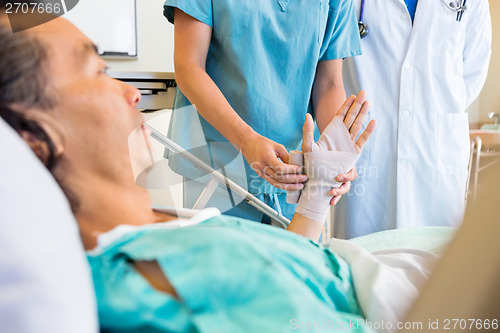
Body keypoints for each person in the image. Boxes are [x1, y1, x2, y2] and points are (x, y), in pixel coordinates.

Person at [0, 11, 453, 333]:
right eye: (99, 70)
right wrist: (249, 141)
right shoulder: (145, 279)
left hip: (355, 250)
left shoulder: (169, 243)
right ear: (33, 140)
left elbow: (274, 270)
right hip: (225, 155)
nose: (131, 93)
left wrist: (317, 191)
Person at [162, 0, 363, 222]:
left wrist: (336, 153)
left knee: (294, 256)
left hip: (296, 171)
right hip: (218, 165)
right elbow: (189, 65)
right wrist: (247, 141)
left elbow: (328, 83)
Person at [334, 0, 492, 238]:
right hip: (369, 160)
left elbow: (471, 74)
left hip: (436, 161)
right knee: (361, 263)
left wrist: (429, 111)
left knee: (436, 267)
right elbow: (330, 73)